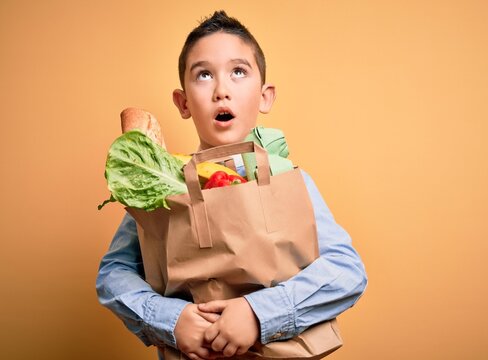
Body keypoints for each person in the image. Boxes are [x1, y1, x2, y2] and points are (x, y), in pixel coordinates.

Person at [96, 10, 367, 360]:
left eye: (238, 72)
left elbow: (347, 270)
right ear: (182, 103)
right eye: (204, 75)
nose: (222, 90)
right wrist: (171, 320)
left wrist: (259, 314)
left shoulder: (286, 177)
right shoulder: (161, 187)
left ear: (265, 96)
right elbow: (113, 272)